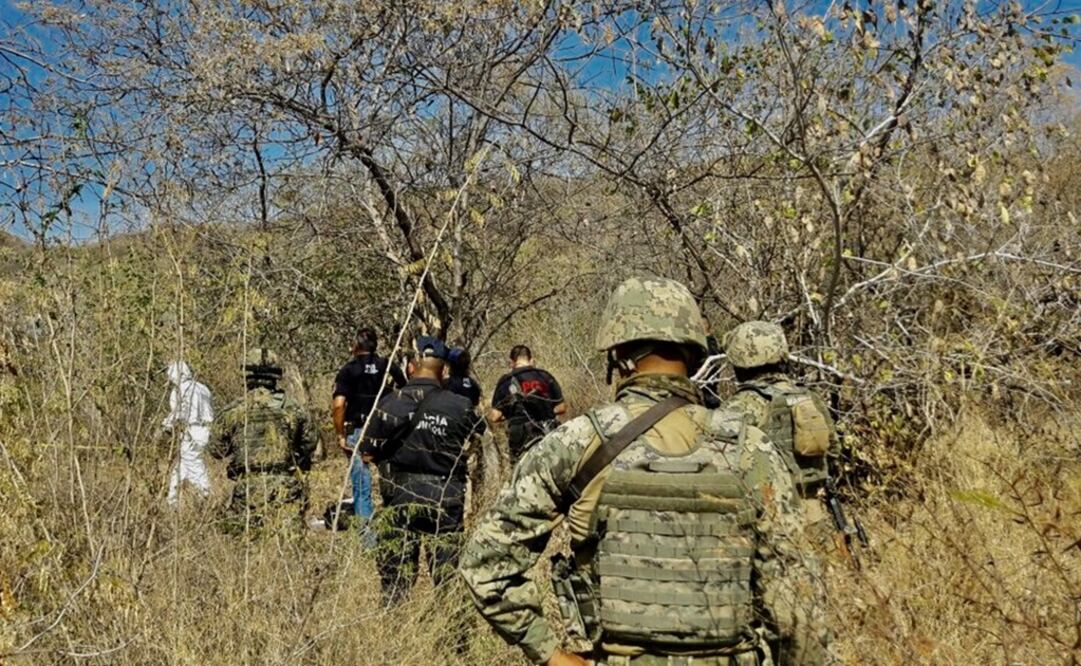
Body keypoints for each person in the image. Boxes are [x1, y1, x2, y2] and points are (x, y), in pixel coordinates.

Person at [459, 277, 827, 666]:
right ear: (694, 356)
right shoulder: (750, 448)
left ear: (617, 355)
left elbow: (484, 564)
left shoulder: (576, 443)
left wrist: (550, 654)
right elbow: (798, 606)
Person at [357, 336, 484, 604]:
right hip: (446, 496)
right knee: (447, 574)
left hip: (401, 496)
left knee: (396, 578)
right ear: (444, 370)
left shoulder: (390, 402)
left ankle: (393, 622)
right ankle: (451, 626)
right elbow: (478, 436)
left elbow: (366, 452)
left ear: (412, 366)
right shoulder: (460, 405)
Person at [723, 321, 837, 536]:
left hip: (771, 517)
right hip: (815, 512)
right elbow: (833, 451)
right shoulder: (810, 397)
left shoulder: (742, 405)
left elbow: (723, 463)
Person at [208, 348, 316, 534]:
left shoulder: (232, 411)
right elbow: (310, 444)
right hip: (286, 489)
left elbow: (216, 450)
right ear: (276, 375)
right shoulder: (294, 409)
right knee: (288, 542)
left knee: (244, 541)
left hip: (247, 491)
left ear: (246, 376)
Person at [332, 327, 407, 526]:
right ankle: (395, 527)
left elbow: (338, 405)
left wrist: (340, 434)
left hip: (357, 430)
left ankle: (368, 537)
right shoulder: (387, 365)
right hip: (385, 430)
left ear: (356, 346)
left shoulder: (348, 370)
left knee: (361, 485)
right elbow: (406, 390)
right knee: (391, 481)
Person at [488, 345, 566, 464]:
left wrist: (509, 415)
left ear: (511, 362)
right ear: (531, 360)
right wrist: (547, 411)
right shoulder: (544, 376)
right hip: (547, 430)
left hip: (520, 435)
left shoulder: (506, 381)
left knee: (522, 470)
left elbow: (494, 416)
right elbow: (561, 407)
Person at [163, 359, 213, 505]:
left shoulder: (180, 390)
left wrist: (166, 424)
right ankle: (171, 500)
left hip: (191, 431)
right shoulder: (202, 388)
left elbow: (180, 412)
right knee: (182, 467)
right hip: (206, 430)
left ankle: (206, 496)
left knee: (194, 465)